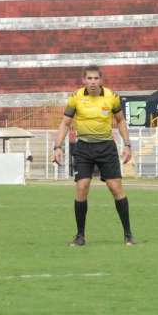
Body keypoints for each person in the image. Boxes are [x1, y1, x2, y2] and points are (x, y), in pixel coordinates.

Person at [52, 65, 134, 246]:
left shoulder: (112, 97)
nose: (93, 82)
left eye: (96, 78)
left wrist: (127, 145)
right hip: (84, 147)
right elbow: (65, 123)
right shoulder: (75, 97)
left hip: (106, 147)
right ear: (84, 80)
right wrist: (57, 146)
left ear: (101, 80)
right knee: (82, 187)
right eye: (89, 78)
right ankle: (80, 236)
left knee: (115, 188)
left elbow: (120, 120)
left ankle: (128, 234)